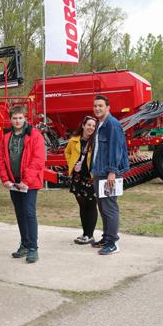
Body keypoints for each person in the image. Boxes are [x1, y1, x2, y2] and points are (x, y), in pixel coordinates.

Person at [0, 106, 45, 263]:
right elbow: (1, 159)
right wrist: (5, 179)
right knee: (20, 214)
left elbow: (38, 160)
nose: (17, 121)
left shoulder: (35, 135)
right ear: (10, 119)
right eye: (14, 118)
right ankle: (24, 244)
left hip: (29, 184)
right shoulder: (6, 136)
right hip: (13, 182)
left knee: (29, 213)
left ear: (25, 118)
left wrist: (26, 181)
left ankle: (33, 248)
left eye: (20, 118)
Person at [90, 95, 129, 255]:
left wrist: (112, 172)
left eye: (100, 106)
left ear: (108, 107)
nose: (97, 108)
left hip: (109, 173)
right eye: (95, 106)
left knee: (110, 207)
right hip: (99, 171)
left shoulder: (112, 125)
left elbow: (116, 149)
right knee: (103, 206)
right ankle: (106, 237)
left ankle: (113, 242)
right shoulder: (100, 124)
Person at [64, 116, 98, 245]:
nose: (91, 128)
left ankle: (90, 235)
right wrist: (71, 164)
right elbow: (67, 153)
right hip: (77, 178)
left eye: (93, 126)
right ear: (83, 125)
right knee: (82, 206)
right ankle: (85, 234)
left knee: (91, 206)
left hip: (90, 178)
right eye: (88, 125)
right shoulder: (73, 141)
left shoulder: (96, 142)